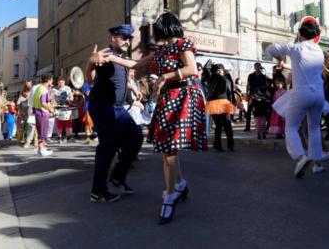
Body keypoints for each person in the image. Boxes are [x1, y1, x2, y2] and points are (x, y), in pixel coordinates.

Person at [99, 13, 207, 224]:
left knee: (169, 150)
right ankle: (180, 185)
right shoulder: (163, 50)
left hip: (183, 97)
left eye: (158, 29)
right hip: (169, 99)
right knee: (169, 149)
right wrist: (110, 57)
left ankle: (169, 197)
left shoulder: (183, 44)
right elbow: (135, 64)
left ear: (166, 28)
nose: (157, 34)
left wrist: (164, 77)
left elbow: (191, 69)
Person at [85, 24, 143, 204]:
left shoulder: (121, 57)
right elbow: (89, 78)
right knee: (108, 146)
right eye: (123, 37)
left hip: (118, 107)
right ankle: (98, 191)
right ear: (113, 38)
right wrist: (91, 62)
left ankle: (117, 177)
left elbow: (122, 79)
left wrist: (133, 89)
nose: (127, 41)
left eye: (129, 38)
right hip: (103, 106)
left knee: (136, 137)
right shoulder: (105, 54)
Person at [265, 17, 326, 177]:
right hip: (319, 94)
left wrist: (278, 58)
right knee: (314, 128)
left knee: (291, 127)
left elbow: (270, 49)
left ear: (300, 34)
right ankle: (317, 163)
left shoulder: (296, 48)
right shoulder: (319, 50)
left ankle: (300, 157)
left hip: (302, 93)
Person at [206, 64, 235, 152]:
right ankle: (218, 145)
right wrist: (210, 65)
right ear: (215, 71)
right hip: (214, 103)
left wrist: (231, 103)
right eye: (218, 70)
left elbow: (230, 93)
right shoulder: (212, 78)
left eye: (221, 70)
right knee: (219, 125)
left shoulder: (226, 80)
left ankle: (229, 145)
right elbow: (206, 69)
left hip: (224, 103)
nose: (220, 71)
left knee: (227, 124)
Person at [32, 74, 55, 156]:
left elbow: (47, 99)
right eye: (51, 80)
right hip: (42, 112)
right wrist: (51, 109)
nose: (52, 82)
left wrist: (49, 89)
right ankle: (42, 149)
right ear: (48, 81)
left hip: (38, 112)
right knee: (42, 132)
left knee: (41, 131)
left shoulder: (39, 88)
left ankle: (41, 149)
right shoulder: (43, 90)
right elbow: (43, 103)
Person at [244, 62, 266, 131]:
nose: (257, 68)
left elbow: (264, 86)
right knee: (249, 111)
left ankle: (259, 126)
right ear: (254, 67)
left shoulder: (263, 76)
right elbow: (248, 85)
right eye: (256, 66)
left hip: (259, 96)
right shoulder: (251, 75)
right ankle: (247, 127)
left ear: (260, 67)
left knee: (258, 112)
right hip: (251, 95)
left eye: (258, 67)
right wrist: (247, 93)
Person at [52, 76, 74, 144]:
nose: (60, 83)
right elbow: (52, 98)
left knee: (68, 123)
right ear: (57, 82)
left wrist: (71, 100)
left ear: (64, 82)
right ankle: (59, 138)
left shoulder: (68, 88)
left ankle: (68, 137)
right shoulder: (54, 89)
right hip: (58, 108)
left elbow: (71, 97)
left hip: (67, 108)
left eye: (62, 82)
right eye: (59, 82)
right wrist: (54, 104)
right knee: (60, 124)